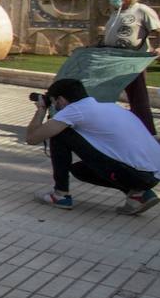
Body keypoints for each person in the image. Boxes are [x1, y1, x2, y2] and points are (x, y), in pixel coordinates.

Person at [26, 78, 160, 214]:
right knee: (80, 170)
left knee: (60, 134)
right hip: (153, 175)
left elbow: (32, 138)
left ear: (61, 99)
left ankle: (60, 195)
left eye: (54, 102)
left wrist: (41, 109)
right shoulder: (110, 107)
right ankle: (139, 195)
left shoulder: (74, 110)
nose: (55, 107)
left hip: (137, 175)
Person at [100, 0, 158, 135]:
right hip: (112, 58)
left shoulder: (142, 10)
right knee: (105, 93)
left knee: (138, 97)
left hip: (132, 60)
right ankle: (104, 125)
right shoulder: (116, 12)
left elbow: (157, 29)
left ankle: (146, 131)